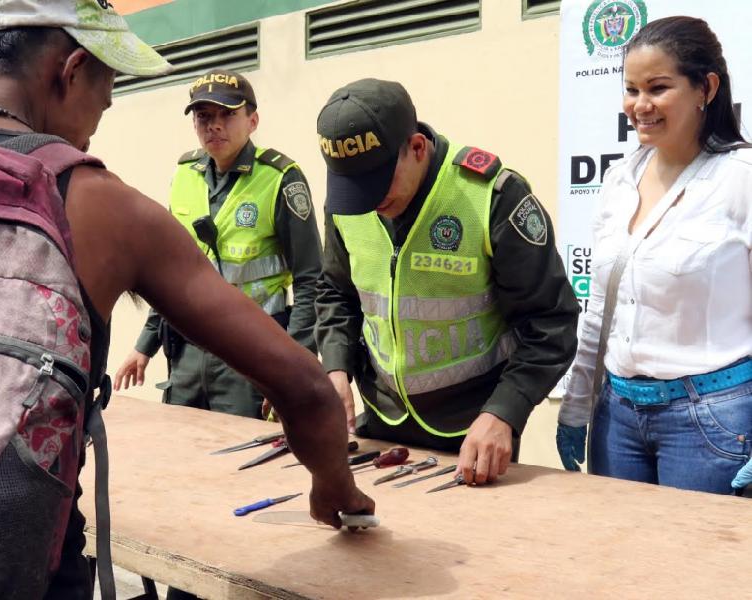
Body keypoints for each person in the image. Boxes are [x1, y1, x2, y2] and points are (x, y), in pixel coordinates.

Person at [0, 1, 373, 598]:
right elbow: (306, 389)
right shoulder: (102, 207)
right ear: (71, 70)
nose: (104, 111)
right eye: (107, 88)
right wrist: (335, 488)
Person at [315, 78, 579, 486]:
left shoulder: (491, 196)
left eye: (377, 182)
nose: (369, 202)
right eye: (354, 188)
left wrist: (505, 411)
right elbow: (336, 291)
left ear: (417, 148)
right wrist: (335, 368)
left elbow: (550, 323)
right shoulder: (350, 201)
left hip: (475, 430)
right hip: (383, 420)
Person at [556, 16, 752, 496]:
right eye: (631, 89)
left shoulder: (741, 178)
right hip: (616, 417)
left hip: (712, 423)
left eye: (658, 88)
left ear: (706, 88)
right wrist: (577, 404)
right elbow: (599, 309)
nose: (640, 105)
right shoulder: (619, 179)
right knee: (618, 544)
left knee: (698, 548)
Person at [113, 69, 322, 421]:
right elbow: (169, 270)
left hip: (253, 353)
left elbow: (310, 280)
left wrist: (295, 366)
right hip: (188, 353)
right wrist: (145, 344)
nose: (214, 125)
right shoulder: (185, 174)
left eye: (227, 114)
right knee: (183, 445)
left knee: (245, 447)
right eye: (204, 116)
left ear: (252, 121)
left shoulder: (280, 179)